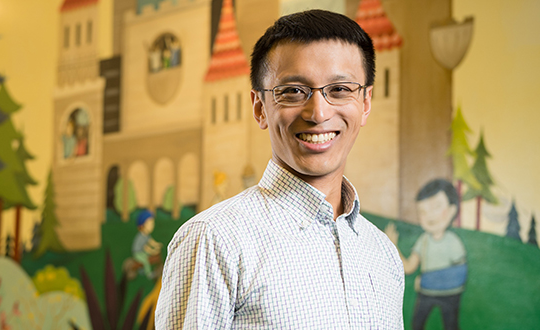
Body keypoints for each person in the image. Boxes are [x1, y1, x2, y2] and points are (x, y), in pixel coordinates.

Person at [154, 10, 404, 328]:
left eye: (340, 90)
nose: (318, 113)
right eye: (293, 92)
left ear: (365, 103)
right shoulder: (213, 241)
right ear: (260, 108)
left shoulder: (383, 253)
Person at [385, 179, 466, 330]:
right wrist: (392, 245)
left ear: (452, 209)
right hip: (426, 293)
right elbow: (408, 267)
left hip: (449, 295)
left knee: (451, 326)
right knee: (417, 325)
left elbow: (459, 274)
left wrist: (428, 280)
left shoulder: (453, 242)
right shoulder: (423, 241)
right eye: (423, 211)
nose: (430, 215)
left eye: (436, 207)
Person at [132, 210, 163, 279]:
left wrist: (157, 245)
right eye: (149, 223)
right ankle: (149, 274)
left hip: (143, 251)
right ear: (142, 225)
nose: (152, 225)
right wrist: (153, 251)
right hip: (138, 252)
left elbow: (151, 242)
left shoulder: (147, 235)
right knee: (146, 260)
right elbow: (146, 248)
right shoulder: (141, 236)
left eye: (152, 223)